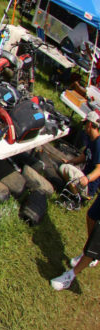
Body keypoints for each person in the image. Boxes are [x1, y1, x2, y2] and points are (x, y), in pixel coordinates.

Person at [52, 110, 100, 290]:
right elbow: (84, 157)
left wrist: (87, 179)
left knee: (98, 240)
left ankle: (70, 276)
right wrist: (71, 161)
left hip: (89, 185)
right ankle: (90, 253)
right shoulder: (91, 142)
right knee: (91, 217)